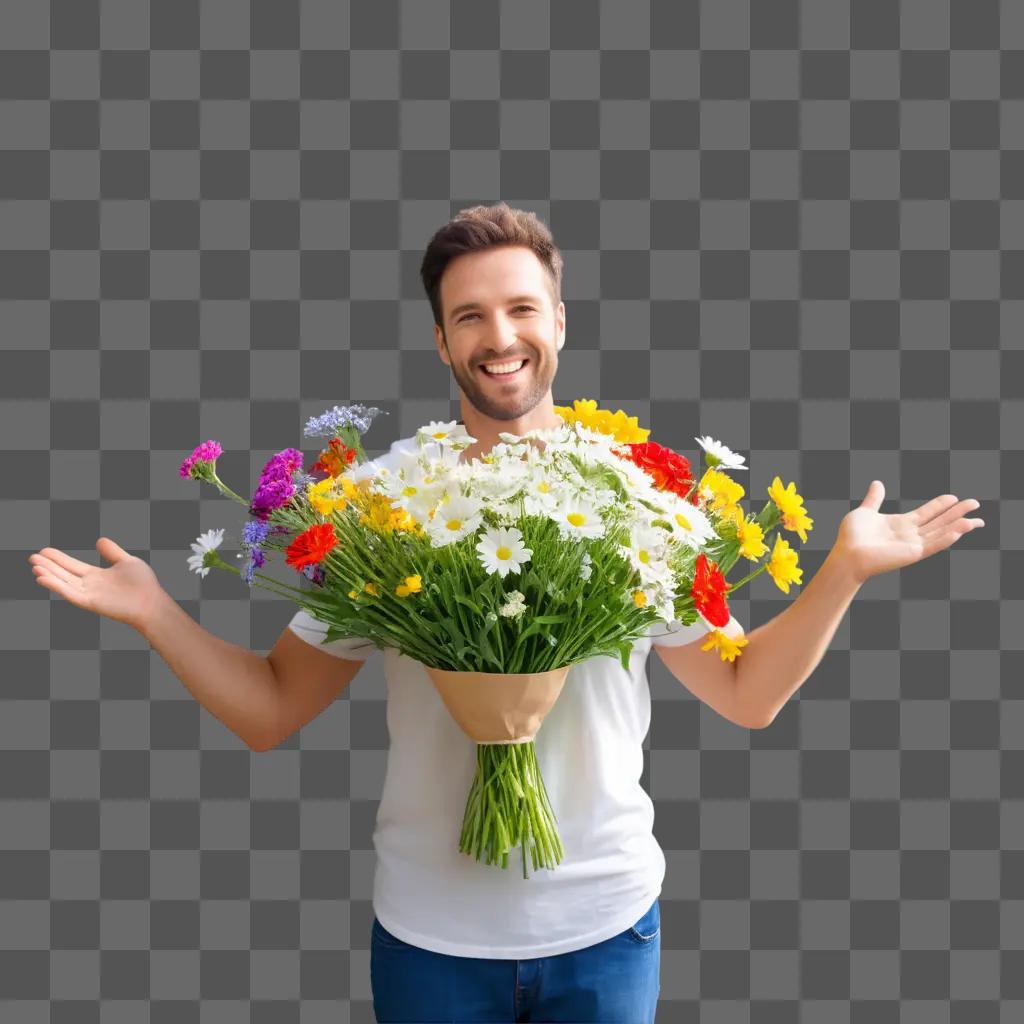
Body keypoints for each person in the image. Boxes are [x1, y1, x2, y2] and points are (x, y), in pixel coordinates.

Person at [29, 202, 985, 1022]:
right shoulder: (379, 507)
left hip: (606, 926)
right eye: (470, 316)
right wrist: (156, 610)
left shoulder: (641, 500)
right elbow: (274, 708)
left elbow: (746, 696)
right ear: (440, 340)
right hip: (431, 935)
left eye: (522, 308)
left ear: (560, 322)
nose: (500, 337)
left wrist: (844, 572)